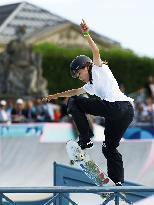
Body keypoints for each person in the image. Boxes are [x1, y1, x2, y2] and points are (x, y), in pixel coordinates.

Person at [42, 19, 134, 186]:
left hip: (116, 106)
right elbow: (75, 92)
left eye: (79, 74)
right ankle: (117, 183)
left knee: (75, 103)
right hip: (126, 113)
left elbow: (96, 51)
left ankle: (85, 139)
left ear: (85, 67)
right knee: (109, 148)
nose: (80, 77)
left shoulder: (98, 68)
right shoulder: (90, 85)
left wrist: (86, 34)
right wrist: (54, 96)